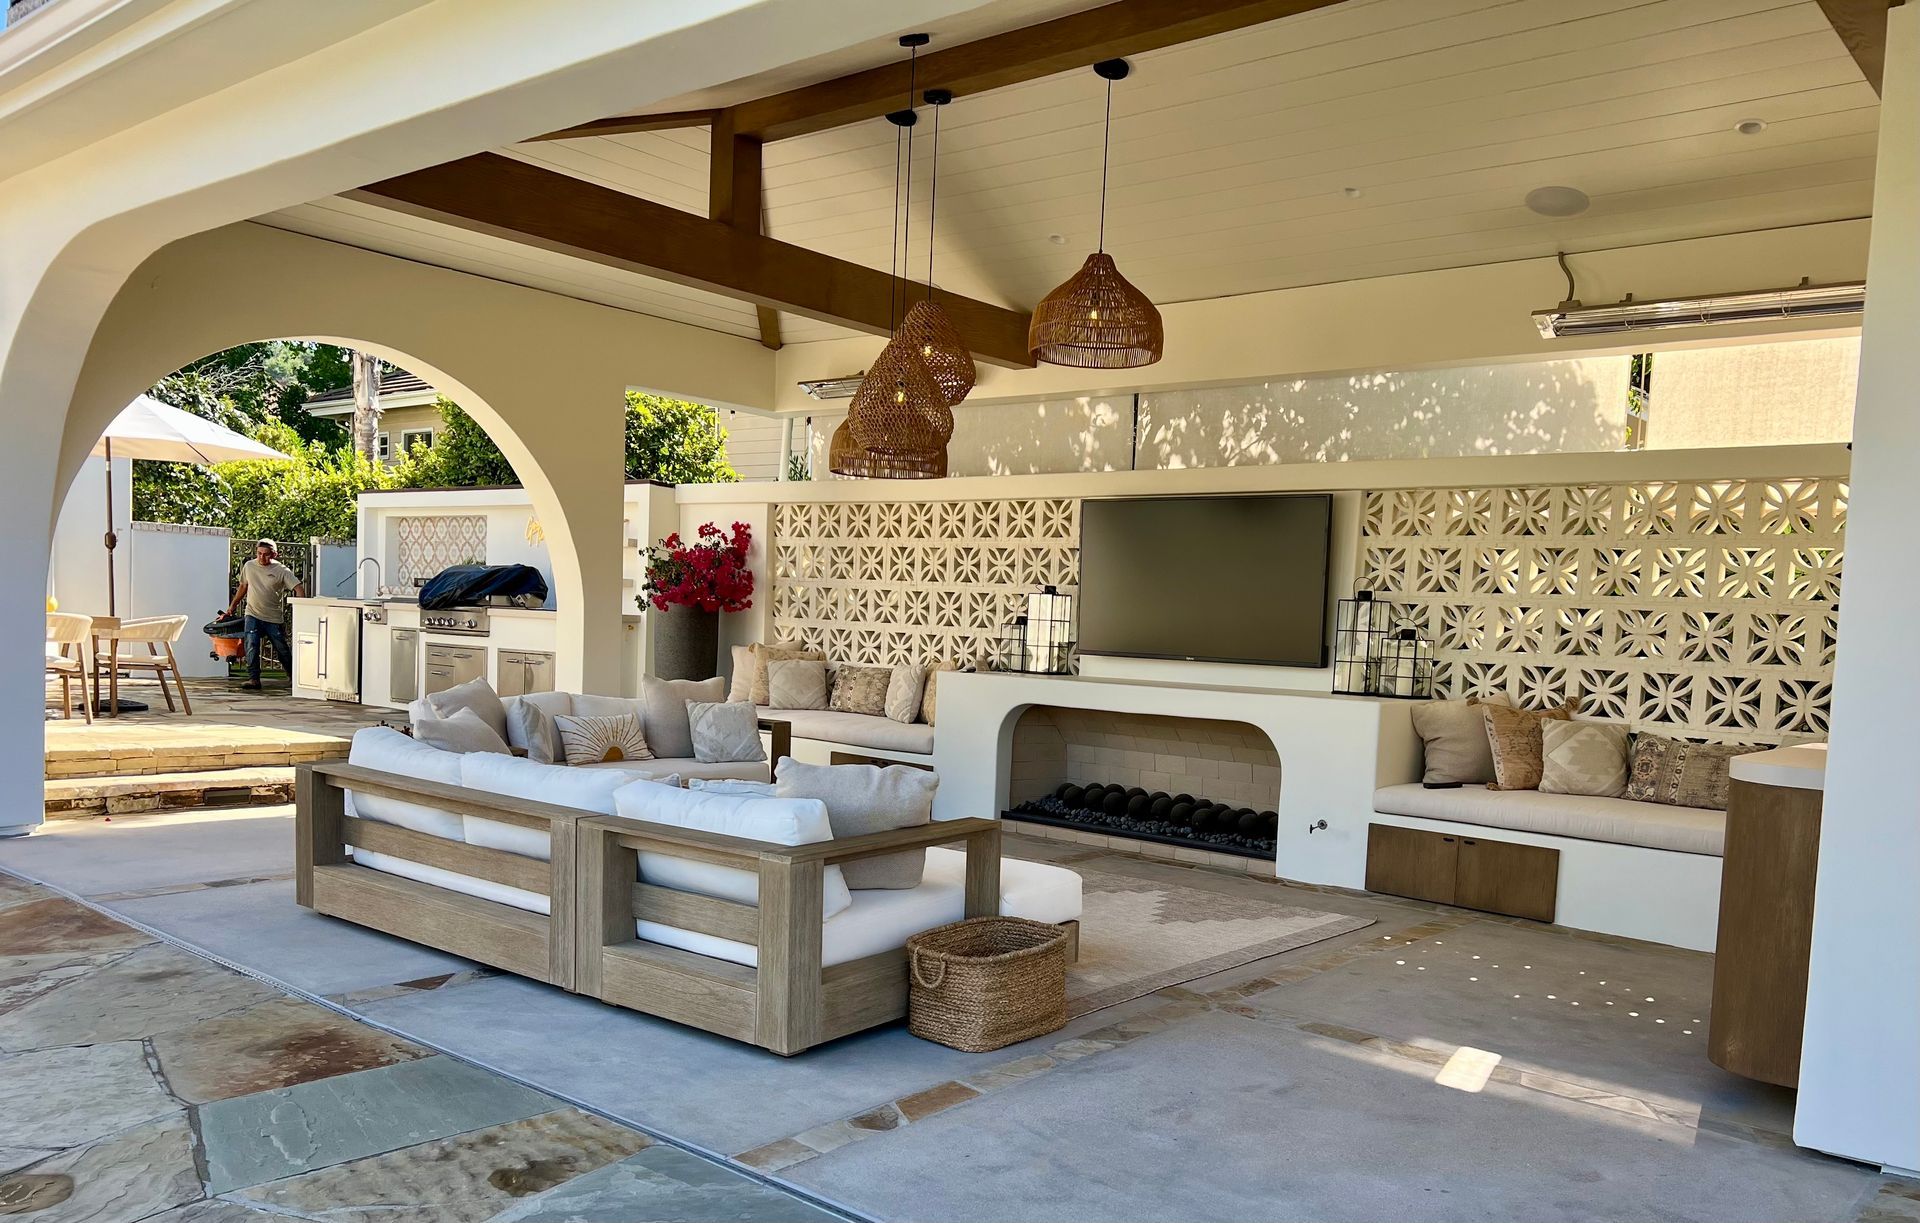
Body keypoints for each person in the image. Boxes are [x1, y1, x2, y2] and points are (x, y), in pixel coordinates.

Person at [226, 539, 304, 690]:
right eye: (259, 554)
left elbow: (298, 588)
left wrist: (302, 608)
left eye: (266, 555)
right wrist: (233, 606)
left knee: (281, 648)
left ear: (275, 554)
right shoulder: (249, 566)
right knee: (251, 645)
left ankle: (293, 676)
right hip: (252, 613)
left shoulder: (282, 571)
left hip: (273, 617)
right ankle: (254, 679)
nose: (262, 558)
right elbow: (243, 586)